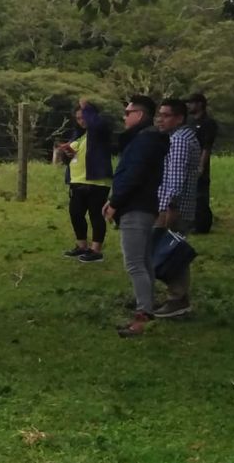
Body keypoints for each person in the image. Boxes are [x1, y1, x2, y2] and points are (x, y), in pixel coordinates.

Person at [102, 96, 169, 338]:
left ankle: (142, 316)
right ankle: (147, 310)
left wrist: (116, 202)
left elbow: (134, 175)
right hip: (143, 205)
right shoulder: (146, 140)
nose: (124, 116)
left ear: (139, 115)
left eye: (127, 112)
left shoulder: (143, 141)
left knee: (134, 263)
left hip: (135, 207)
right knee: (144, 261)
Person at [154, 99, 201, 318]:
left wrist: (170, 206)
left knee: (171, 252)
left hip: (174, 207)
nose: (160, 120)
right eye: (159, 115)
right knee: (169, 250)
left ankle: (178, 299)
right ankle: (174, 297)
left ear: (179, 118)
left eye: (166, 115)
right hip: (176, 204)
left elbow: (176, 176)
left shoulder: (180, 140)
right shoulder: (181, 137)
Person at [58, 99, 113, 263]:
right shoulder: (79, 135)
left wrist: (86, 107)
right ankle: (81, 245)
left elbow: (98, 124)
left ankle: (96, 250)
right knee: (75, 213)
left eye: (85, 117)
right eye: (79, 118)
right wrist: (67, 153)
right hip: (77, 180)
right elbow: (73, 156)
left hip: (96, 181)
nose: (82, 121)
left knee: (96, 214)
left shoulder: (99, 131)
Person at [186, 93, 218, 233]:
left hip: (199, 163)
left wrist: (201, 166)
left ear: (199, 104)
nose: (189, 105)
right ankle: (191, 222)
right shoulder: (189, 122)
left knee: (200, 195)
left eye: (191, 103)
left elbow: (207, 146)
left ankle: (202, 224)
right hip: (187, 162)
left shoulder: (208, 123)